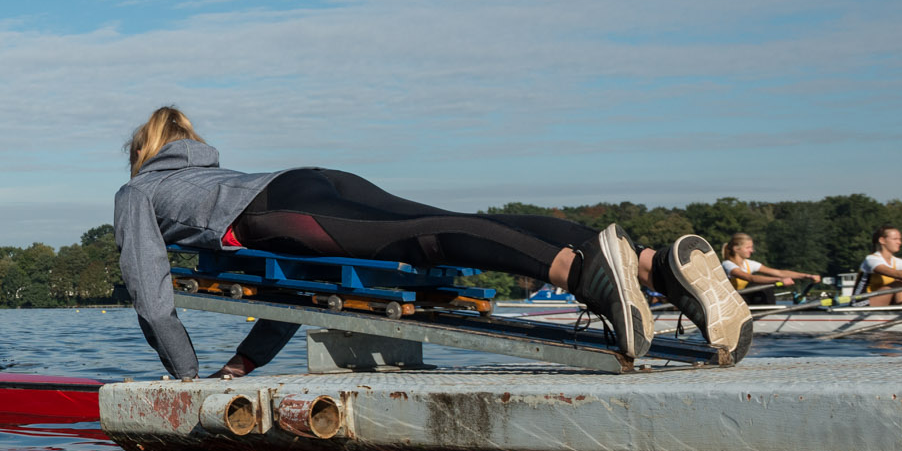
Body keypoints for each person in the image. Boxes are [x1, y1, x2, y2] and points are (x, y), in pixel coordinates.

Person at [112, 105, 749, 377]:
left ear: (143, 156)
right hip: (312, 179)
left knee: (431, 241)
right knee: (444, 223)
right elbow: (292, 291)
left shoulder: (138, 193)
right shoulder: (215, 175)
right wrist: (241, 367)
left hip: (282, 210)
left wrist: (187, 377)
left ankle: (584, 276)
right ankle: (654, 267)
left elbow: (151, 294)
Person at [720, 233, 817, 303]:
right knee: (760, 284)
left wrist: (807, 276)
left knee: (763, 286)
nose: (752, 250)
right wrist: (779, 280)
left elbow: (779, 273)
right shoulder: (727, 265)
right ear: (736, 249)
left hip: (743, 300)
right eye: (748, 247)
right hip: (732, 302)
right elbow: (750, 278)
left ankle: (766, 314)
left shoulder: (749, 264)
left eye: (752, 247)